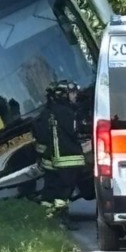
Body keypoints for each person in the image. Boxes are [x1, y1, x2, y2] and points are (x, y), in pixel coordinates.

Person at [33, 79, 86, 228]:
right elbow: (77, 131)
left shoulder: (46, 113)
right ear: (63, 95)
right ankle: (61, 219)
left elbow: (39, 135)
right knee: (64, 191)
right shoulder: (67, 112)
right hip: (67, 159)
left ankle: (46, 220)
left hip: (49, 159)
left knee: (50, 189)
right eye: (72, 93)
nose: (75, 96)